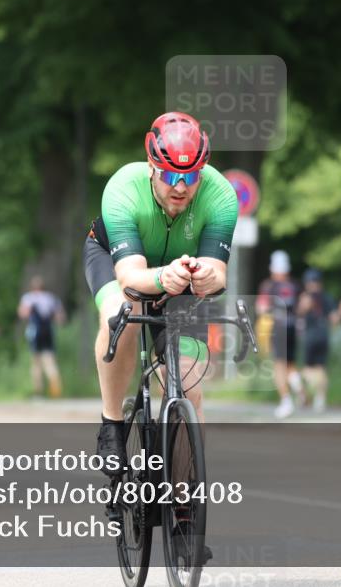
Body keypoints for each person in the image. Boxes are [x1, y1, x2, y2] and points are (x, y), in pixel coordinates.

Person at [83, 111, 236, 477]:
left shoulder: (221, 197)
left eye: (190, 176)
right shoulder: (123, 188)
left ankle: (184, 508)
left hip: (180, 275)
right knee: (123, 312)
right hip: (117, 261)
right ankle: (112, 423)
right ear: (151, 167)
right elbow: (130, 276)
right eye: (169, 176)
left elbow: (219, 272)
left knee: (188, 383)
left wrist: (205, 278)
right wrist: (165, 275)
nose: (180, 187)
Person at [257, 250, 304, 419]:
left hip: (278, 327)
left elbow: (261, 308)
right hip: (293, 326)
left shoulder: (269, 285)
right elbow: (302, 306)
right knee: (290, 362)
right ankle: (298, 384)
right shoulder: (295, 285)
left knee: (278, 365)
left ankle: (286, 401)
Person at [18, 276, 66, 398]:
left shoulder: (28, 298)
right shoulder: (51, 298)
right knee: (50, 361)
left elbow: (23, 314)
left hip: (36, 332)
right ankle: (55, 388)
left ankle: (38, 391)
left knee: (36, 363)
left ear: (32, 287)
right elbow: (60, 317)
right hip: (48, 332)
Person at [296, 268, 337, 413]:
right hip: (323, 334)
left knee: (307, 368)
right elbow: (334, 319)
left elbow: (300, 312)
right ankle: (320, 399)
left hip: (310, 335)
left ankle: (302, 394)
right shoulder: (327, 297)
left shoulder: (306, 296)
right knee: (321, 368)